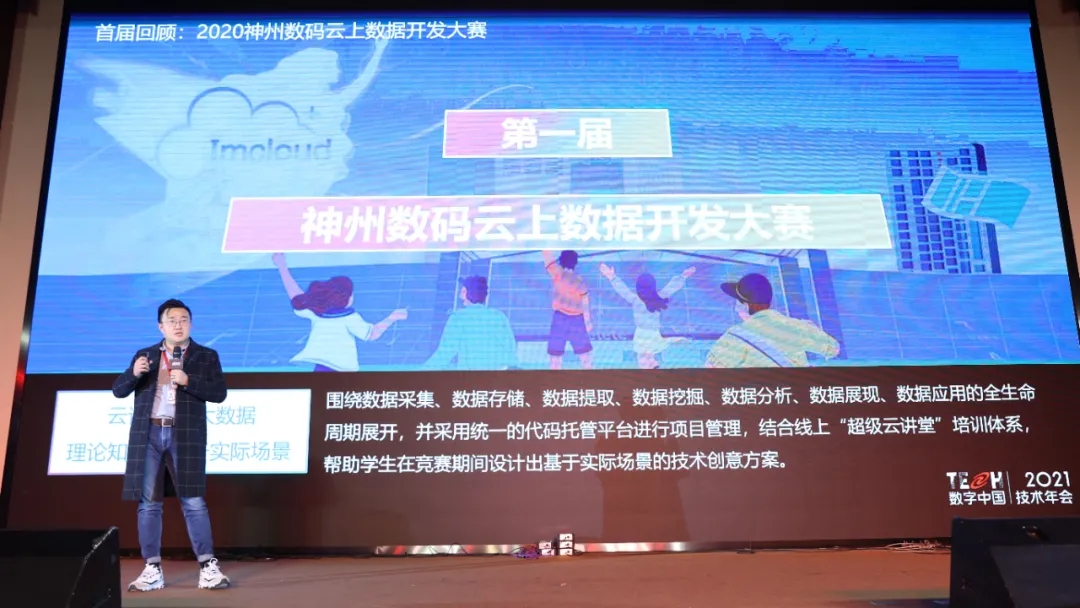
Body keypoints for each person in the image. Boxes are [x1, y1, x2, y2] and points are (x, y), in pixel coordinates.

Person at [112, 299, 230, 592]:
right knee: (148, 504)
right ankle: (152, 568)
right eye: (172, 320)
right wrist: (133, 373)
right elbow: (118, 391)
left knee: (193, 501)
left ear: (191, 324)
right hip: (149, 434)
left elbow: (219, 393)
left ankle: (208, 567)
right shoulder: (145, 356)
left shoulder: (206, 356)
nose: (179, 325)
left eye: (184, 319)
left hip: (184, 435)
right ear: (161, 326)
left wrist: (188, 381)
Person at [272, 253, 407, 371]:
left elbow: (296, 295)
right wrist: (393, 317)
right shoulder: (350, 318)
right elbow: (372, 334)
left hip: (321, 369)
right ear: (347, 297)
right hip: (343, 372)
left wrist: (281, 266)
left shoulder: (318, 314)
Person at [706, 273, 840, 368]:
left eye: (737, 302)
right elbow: (833, 349)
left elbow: (711, 370)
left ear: (746, 305)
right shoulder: (797, 326)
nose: (736, 308)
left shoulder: (734, 335)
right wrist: (812, 328)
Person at [600, 263, 695, 369]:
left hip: (647, 334)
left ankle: (651, 366)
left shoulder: (636, 300)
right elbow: (672, 287)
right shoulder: (657, 298)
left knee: (646, 355)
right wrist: (683, 276)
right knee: (645, 355)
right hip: (650, 334)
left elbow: (623, 290)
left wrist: (612, 277)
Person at [422, 276, 518, 370]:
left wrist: (422, 372)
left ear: (466, 293)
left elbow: (445, 352)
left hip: (471, 377)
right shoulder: (499, 316)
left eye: (462, 291)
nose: (460, 296)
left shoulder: (458, 318)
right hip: (498, 377)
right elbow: (510, 349)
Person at [542, 250, 594, 369]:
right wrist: (587, 321)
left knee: (555, 358)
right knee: (585, 359)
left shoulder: (557, 273)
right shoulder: (578, 280)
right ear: (575, 263)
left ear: (561, 261)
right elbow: (585, 300)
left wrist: (544, 246)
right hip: (577, 321)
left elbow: (547, 257)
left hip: (560, 319)